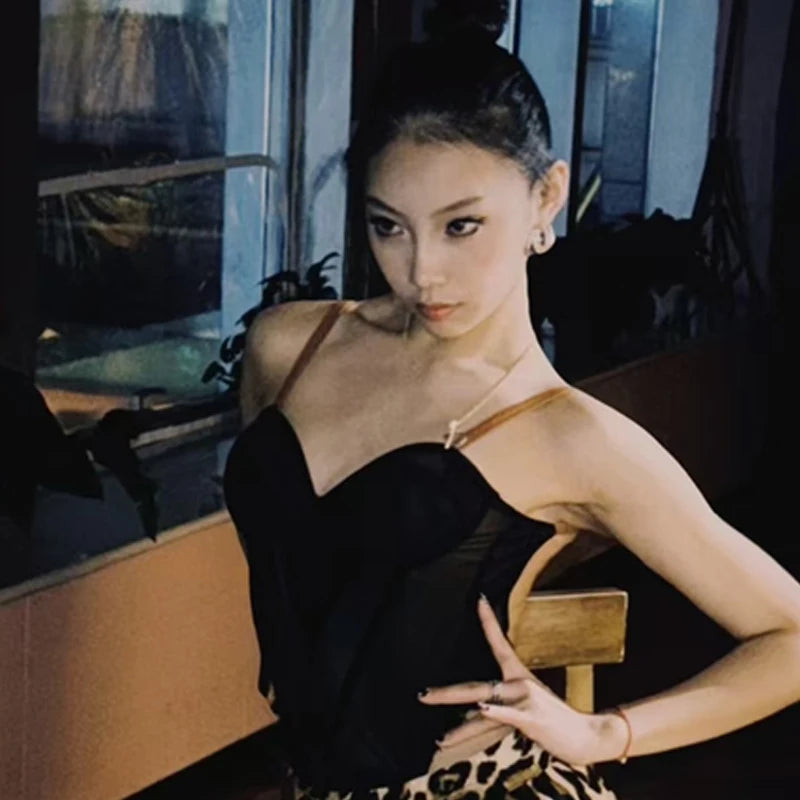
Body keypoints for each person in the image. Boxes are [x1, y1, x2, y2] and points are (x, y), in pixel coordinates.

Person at [223, 2, 800, 798]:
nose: (421, 272)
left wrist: (604, 732)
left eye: (461, 226)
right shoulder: (288, 346)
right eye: (388, 226)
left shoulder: (570, 437)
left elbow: (791, 634)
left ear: (546, 197)